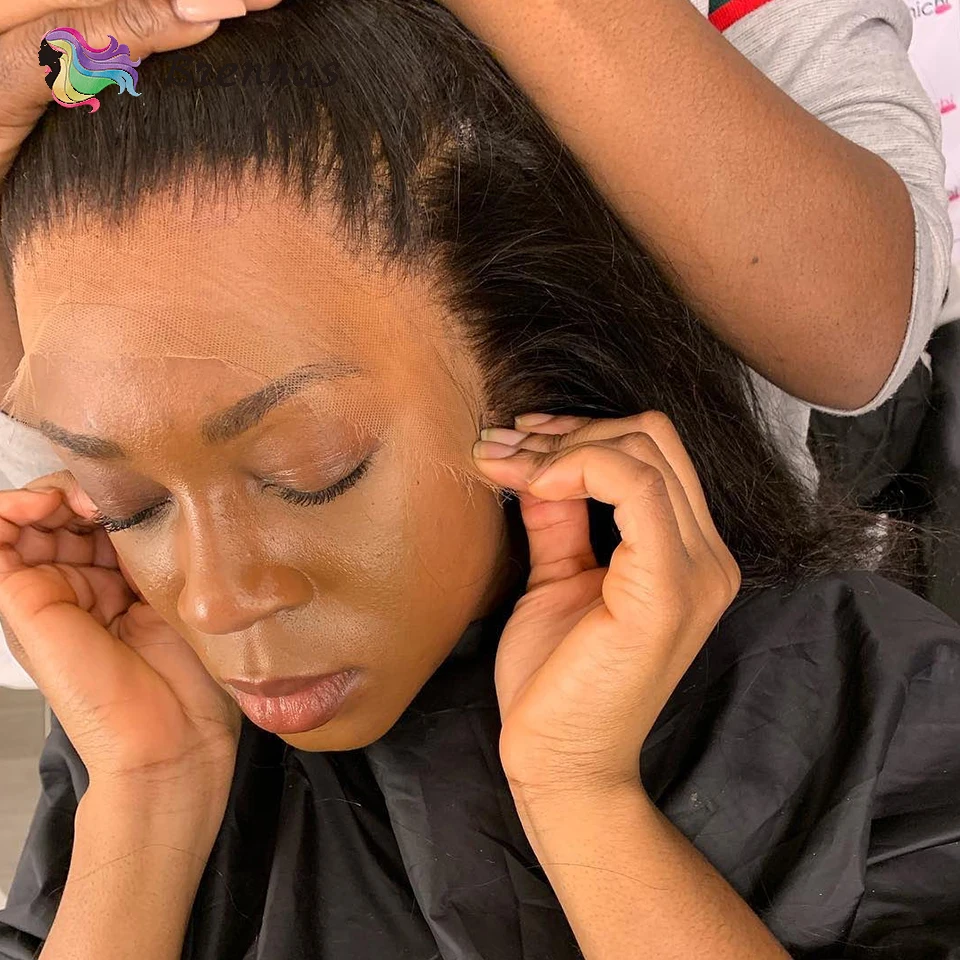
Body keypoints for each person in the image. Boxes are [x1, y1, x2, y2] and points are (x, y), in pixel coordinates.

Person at [0, 3, 959, 958]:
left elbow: (856, 332)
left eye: (310, 474)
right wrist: (145, 797)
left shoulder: (859, 718)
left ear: (524, 366)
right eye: (129, 504)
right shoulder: (139, 731)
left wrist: (583, 796)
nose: (216, 602)